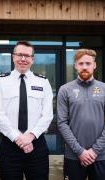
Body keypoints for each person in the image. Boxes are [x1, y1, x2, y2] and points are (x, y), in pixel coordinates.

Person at [0, 41, 53, 180]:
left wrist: (30, 136)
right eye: (19, 55)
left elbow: (47, 115)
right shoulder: (0, 81)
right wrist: (18, 138)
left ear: (32, 59)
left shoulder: (43, 82)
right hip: (9, 145)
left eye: (27, 55)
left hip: (37, 145)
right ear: (13, 57)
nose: (23, 59)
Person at [57, 49, 105, 180]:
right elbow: (62, 123)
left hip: (101, 155)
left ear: (94, 65)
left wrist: (95, 151)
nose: (84, 67)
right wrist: (80, 151)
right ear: (75, 65)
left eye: (88, 63)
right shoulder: (65, 90)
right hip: (74, 156)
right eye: (81, 63)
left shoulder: (104, 88)